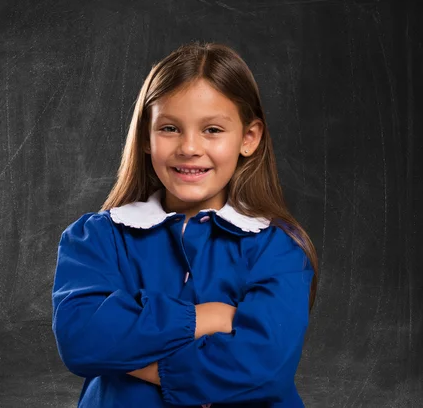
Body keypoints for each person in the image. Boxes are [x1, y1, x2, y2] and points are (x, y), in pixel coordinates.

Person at [52, 41, 319, 408]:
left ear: (249, 138)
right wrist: (207, 317)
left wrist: (131, 354)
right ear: (147, 136)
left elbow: (264, 367)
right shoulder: (97, 237)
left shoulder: (278, 247)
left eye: (211, 129)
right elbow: (81, 338)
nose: (189, 147)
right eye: (169, 128)